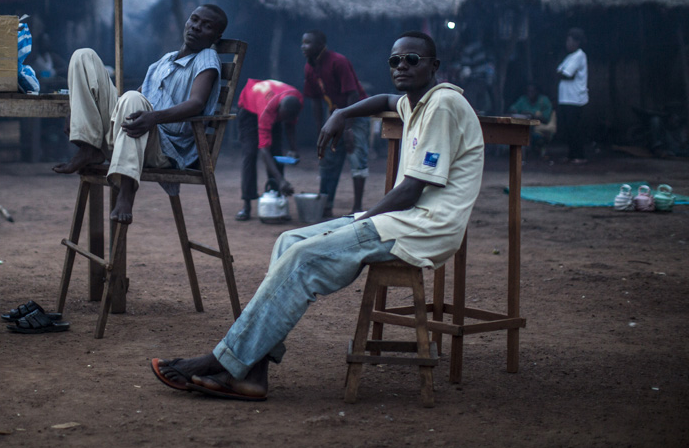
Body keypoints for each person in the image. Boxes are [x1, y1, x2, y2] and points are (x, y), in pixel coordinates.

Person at [150, 31, 484, 402]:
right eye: (395, 61)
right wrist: (342, 111)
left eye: (412, 60)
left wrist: (362, 219)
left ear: (434, 66)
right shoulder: (415, 102)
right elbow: (387, 99)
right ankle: (254, 372)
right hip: (402, 219)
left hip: (424, 226)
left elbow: (413, 187)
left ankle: (222, 359)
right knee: (288, 240)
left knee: (302, 257)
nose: (401, 66)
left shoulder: (442, 105)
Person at [52, 4, 227, 224]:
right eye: (194, 20)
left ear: (216, 36)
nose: (197, 27)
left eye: (207, 26)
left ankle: (127, 191)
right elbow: (140, 95)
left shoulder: (206, 58)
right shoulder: (165, 60)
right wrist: (81, 108)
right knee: (83, 56)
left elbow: (196, 103)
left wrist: (154, 117)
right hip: (130, 132)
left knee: (132, 100)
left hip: (163, 148)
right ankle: (89, 148)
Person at [301, 30, 370, 217]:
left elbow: (353, 95)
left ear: (320, 45)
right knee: (328, 160)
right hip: (335, 115)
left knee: (356, 156)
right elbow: (315, 100)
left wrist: (348, 129)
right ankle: (326, 204)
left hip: (357, 112)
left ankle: (357, 207)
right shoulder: (310, 67)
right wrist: (320, 130)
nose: (303, 47)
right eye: (303, 43)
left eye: (308, 43)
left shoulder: (338, 61)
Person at [235, 79, 303, 221]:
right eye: (282, 117)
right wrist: (281, 179)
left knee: (277, 154)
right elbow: (264, 150)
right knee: (250, 154)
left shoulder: (296, 100)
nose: (284, 120)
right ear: (278, 111)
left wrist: (294, 149)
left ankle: (278, 203)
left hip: (272, 106)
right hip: (249, 109)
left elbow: (290, 125)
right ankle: (246, 205)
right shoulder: (267, 110)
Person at [556, 28, 589, 164]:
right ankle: (571, 154)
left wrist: (562, 73)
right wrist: (561, 73)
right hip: (566, 98)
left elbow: (566, 74)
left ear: (577, 42)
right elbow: (559, 71)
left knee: (575, 128)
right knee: (568, 128)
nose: (567, 43)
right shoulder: (570, 56)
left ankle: (579, 155)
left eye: (570, 41)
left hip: (575, 98)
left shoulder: (580, 55)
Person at [509, 83, 555, 157]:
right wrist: (519, 112)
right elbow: (512, 109)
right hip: (522, 128)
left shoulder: (544, 100)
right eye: (528, 91)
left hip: (540, 129)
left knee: (533, 135)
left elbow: (546, 119)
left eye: (532, 91)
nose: (530, 93)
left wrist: (533, 116)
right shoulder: (523, 99)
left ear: (537, 92)